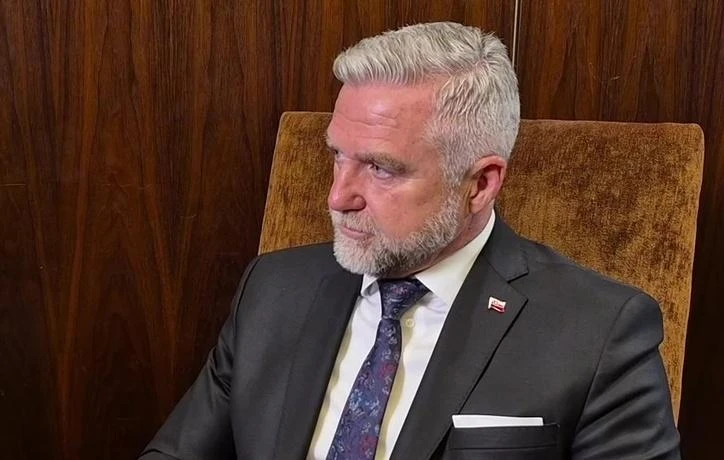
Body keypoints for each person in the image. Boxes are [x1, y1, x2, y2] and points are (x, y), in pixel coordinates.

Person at [140, 22, 679, 459]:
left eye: (381, 168)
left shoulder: (599, 332)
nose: (337, 196)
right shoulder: (274, 288)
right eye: (337, 156)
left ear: (480, 183)